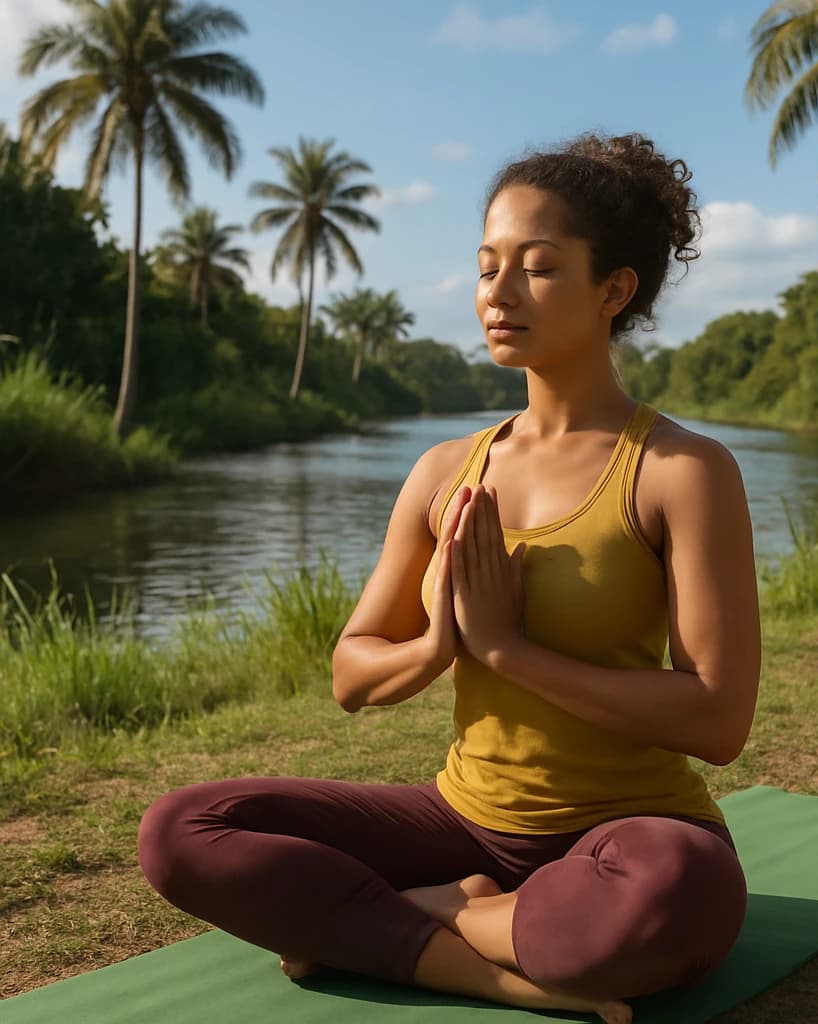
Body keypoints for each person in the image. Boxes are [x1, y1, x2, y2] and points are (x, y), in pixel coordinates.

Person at [137, 131, 761, 1024]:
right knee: (184, 830)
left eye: (537, 268)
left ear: (613, 290)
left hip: (627, 834)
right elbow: (352, 672)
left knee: (678, 888)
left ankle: (419, 920)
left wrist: (508, 652)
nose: (498, 294)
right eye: (486, 267)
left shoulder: (680, 471)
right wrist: (437, 645)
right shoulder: (445, 472)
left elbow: (718, 721)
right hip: (462, 823)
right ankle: (482, 954)